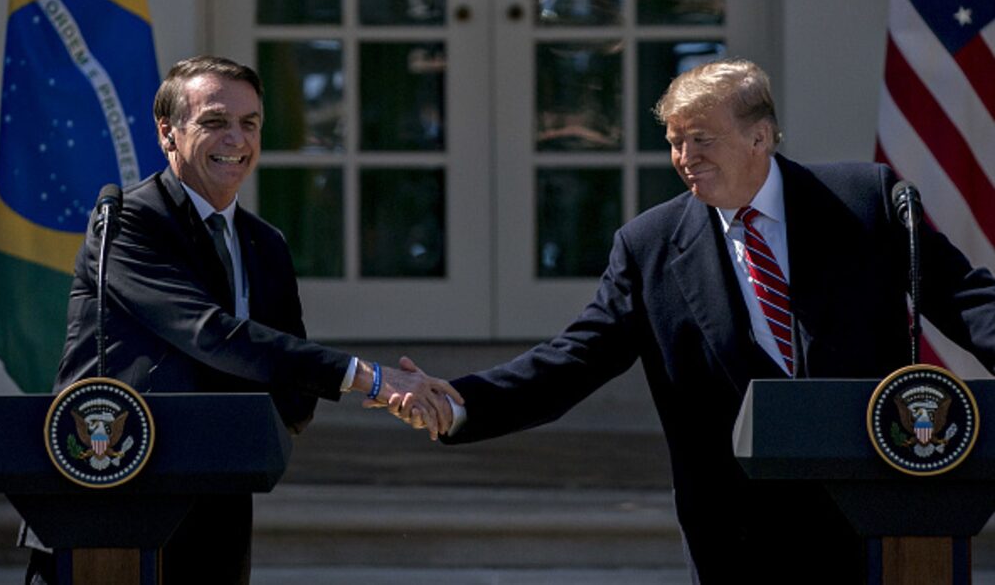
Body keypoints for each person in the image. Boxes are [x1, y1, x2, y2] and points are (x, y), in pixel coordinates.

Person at [391, 59, 995, 583]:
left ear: (760, 137)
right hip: (740, 532)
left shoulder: (863, 202)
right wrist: (463, 401)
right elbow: (573, 361)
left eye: (701, 139)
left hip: (876, 509)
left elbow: (967, 299)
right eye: (675, 141)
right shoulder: (649, 247)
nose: (684, 158)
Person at [24, 55, 461, 584]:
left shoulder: (265, 243)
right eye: (214, 122)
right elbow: (209, 334)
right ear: (168, 133)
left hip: (221, 498)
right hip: (116, 494)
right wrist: (370, 378)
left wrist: (260, 424)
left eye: (249, 124)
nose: (236, 139)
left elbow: (290, 378)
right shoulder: (129, 222)